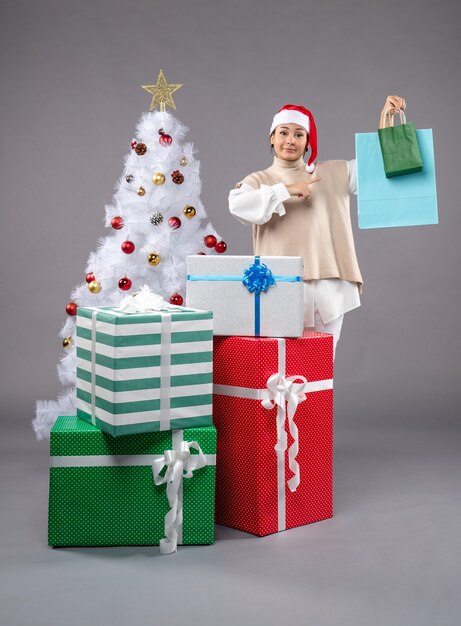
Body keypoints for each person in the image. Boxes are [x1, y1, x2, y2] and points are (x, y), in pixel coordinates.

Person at [229, 95, 406, 357]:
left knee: (320, 373)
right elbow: (238, 205)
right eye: (284, 132)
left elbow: (378, 167)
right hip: (278, 288)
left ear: (308, 141)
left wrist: (386, 119)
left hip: (328, 289)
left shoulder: (332, 172)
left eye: (299, 134)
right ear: (272, 137)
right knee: (276, 370)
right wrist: (285, 190)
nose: (290, 140)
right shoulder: (259, 180)